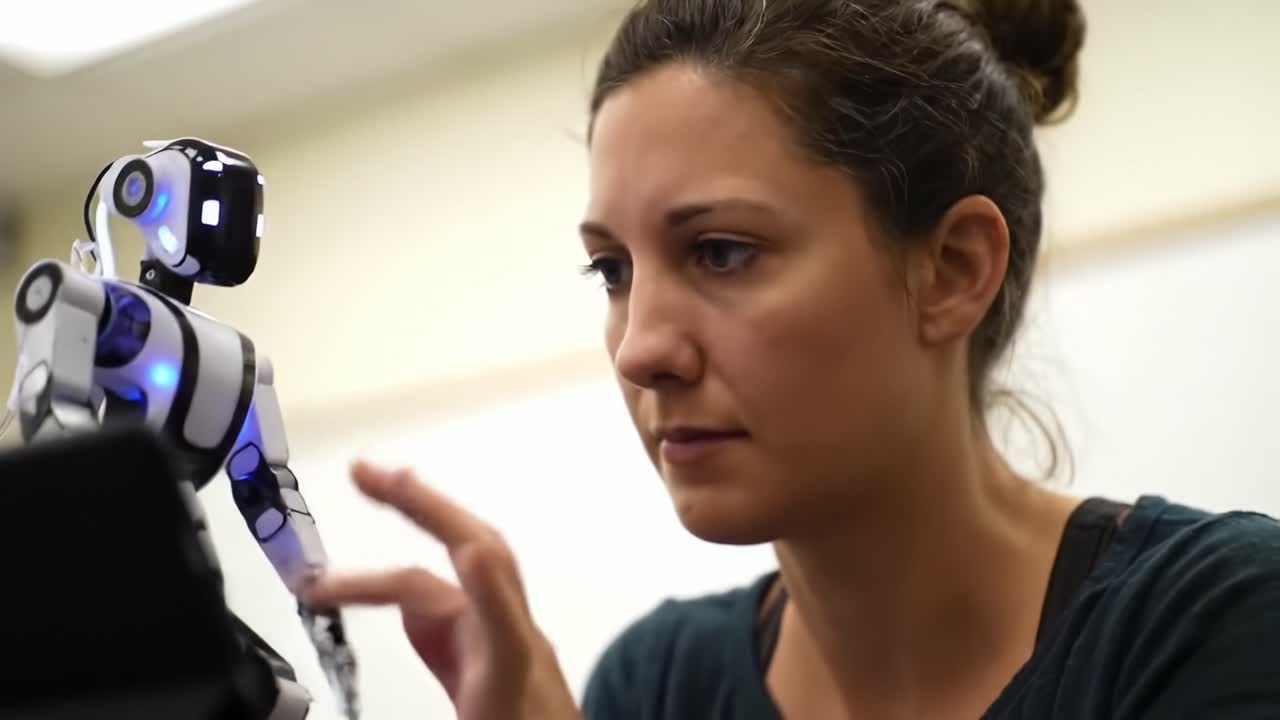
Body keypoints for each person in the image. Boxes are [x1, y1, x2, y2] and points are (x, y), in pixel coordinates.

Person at [303, 0, 1280, 717]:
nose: (641, 347)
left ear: (949, 269)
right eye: (610, 270)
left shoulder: (1215, 621)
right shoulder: (657, 688)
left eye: (721, 252)